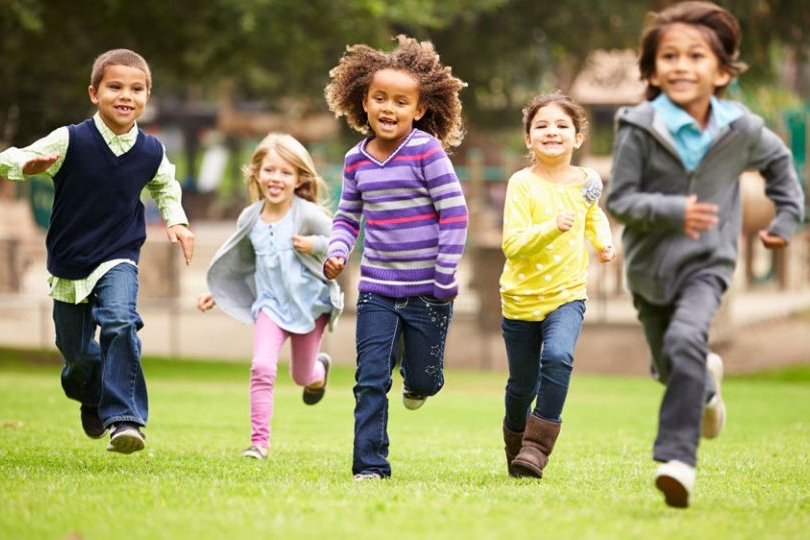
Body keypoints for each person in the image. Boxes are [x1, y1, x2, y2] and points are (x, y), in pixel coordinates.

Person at [606, 1, 804, 507]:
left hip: (707, 264)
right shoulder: (639, 126)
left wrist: (785, 219)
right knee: (670, 364)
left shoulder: (741, 130)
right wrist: (674, 210)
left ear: (720, 72)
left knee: (686, 339)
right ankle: (707, 392)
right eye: (669, 56)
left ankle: (678, 461)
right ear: (652, 70)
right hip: (649, 270)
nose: (681, 65)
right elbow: (620, 200)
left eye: (696, 56)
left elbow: (781, 167)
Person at [0, 49, 195, 454]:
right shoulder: (70, 139)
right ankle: (91, 393)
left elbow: (165, 187)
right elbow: (7, 158)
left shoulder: (151, 151)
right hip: (69, 260)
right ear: (94, 92)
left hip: (119, 255)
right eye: (115, 86)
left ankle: (126, 421)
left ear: (147, 95)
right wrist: (27, 167)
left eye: (137, 89)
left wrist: (177, 220)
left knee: (120, 321)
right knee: (77, 354)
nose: (126, 95)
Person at [323, 35, 469, 480]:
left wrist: (444, 274)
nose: (389, 108)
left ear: (419, 110)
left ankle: (419, 376)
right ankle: (369, 465)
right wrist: (336, 250)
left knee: (423, 381)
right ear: (362, 102)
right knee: (370, 379)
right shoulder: (355, 161)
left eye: (401, 102)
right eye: (380, 98)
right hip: (377, 290)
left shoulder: (426, 151)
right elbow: (348, 217)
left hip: (429, 290)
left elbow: (455, 213)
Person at [196, 133, 343, 460]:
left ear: (299, 179)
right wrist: (216, 292)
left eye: (285, 172)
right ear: (257, 174)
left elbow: (339, 241)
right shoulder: (249, 218)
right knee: (262, 367)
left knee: (302, 376)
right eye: (269, 170)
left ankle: (318, 371)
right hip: (270, 308)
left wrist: (314, 246)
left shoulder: (307, 215)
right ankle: (259, 443)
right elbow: (239, 263)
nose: (276, 178)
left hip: (309, 307)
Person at [499, 91, 617, 480]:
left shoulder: (588, 181)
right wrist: (552, 228)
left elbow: (592, 216)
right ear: (529, 139)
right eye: (542, 126)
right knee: (521, 385)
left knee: (559, 358)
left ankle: (536, 448)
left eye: (562, 125)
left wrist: (604, 241)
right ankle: (515, 444)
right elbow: (512, 245)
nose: (552, 131)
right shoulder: (522, 184)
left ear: (578, 138)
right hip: (520, 300)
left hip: (567, 294)